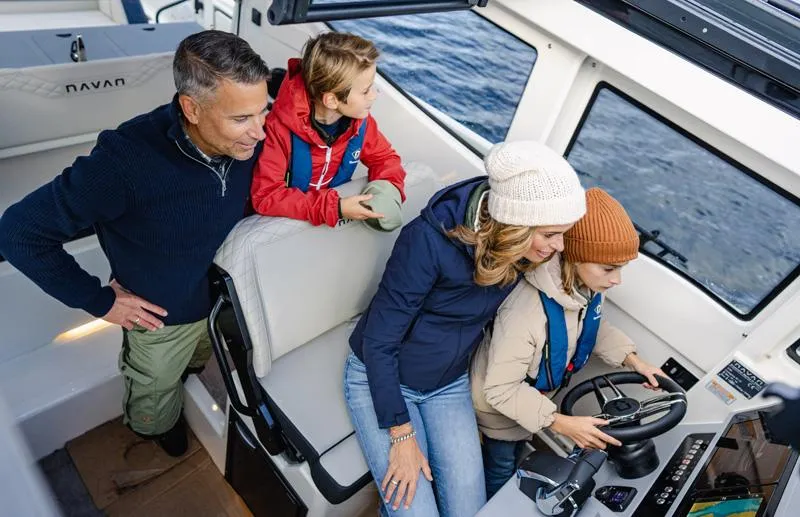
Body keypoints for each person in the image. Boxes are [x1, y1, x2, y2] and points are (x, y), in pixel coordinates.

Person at [0, 31, 269, 457]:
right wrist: (101, 301)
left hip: (219, 300)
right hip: (159, 320)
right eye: (241, 119)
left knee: (197, 361)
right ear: (191, 108)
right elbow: (18, 232)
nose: (259, 132)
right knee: (155, 394)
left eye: (263, 111)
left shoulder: (250, 139)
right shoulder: (124, 162)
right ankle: (153, 428)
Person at [345, 141, 587, 516]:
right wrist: (401, 435)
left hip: (448, 383)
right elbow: (379, 342)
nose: (558, 247)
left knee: (469, 511)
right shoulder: (426, 241)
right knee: (414, 509)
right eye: (551, 235)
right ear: (516, 226)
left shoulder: (520, 251)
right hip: (383, 377)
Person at [470, 187, 667, 498]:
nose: (617, 280)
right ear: (575, 258)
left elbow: (592, 328)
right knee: (501, 465)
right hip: (498, 412)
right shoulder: (526, 312)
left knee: (516, 454)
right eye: (609, 269)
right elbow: (499, 390)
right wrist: (560, 422)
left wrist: (635, 361)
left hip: (533, 406)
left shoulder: (583, 290)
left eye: (621, 269)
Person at [250, 32, 406, 227]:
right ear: (332, 100)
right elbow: (266, 196)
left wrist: (387, 189)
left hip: (329, 217)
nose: (374, 95)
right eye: (366, 90)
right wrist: (335, 208)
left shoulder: (361, 124)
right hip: (286, 223)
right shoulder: (278, 130)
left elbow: (385, 159)